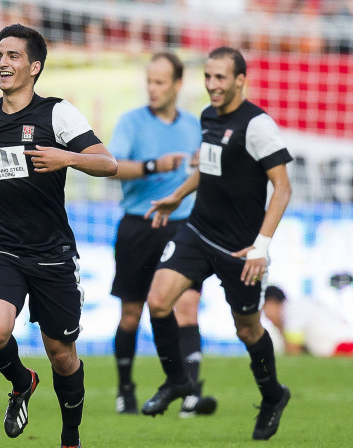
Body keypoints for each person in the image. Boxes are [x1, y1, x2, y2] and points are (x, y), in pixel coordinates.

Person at [0, 24, 117, 448]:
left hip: (52, 253)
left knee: (62, 355)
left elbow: (108, 164)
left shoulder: (57, 113)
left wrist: (68, 157)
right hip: (0, 247)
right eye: (0, 55)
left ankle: (70, 438)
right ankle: (22, 382)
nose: (3, 63)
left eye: (13, 56)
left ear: (34, 67)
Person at [142, 46, 292, 441]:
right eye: (208, 76)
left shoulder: (257, 125)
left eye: (221, 77)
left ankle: (273, 395)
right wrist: (178, 194)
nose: (212, 85)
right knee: (158, 301)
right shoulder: (208, 116)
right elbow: (209, 169)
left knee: (247, 330)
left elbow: (282, 187)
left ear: (240, 80)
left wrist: (261, 245)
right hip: (198, 230)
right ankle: (178, 381)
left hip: (240, 248)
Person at [108, 51, 216, 417]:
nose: (152, 89)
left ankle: (190, 393)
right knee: (131, 315)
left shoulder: (195, 125)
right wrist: (155, 165)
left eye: (160, 82)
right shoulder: (131, 122)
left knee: (186, 307)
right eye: (149, 81)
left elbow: (214, 170)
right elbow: (112, 166)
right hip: (139, 224)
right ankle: (125, 390)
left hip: (184, 226)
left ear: (178, 85)